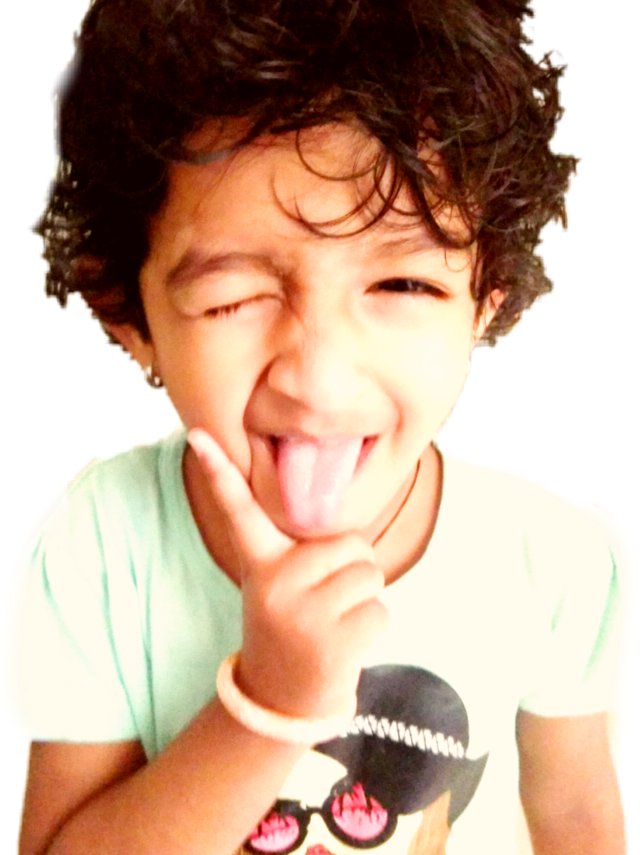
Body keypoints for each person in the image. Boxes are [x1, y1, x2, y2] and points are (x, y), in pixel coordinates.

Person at [1, 1, 636, 853]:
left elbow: (577, 816)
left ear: (486, 300)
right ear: (126, 312)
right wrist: (269, 705)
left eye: (404, 286)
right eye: (234, 298)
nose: (319, 377)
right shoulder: (104, 551)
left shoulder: (550, 558)